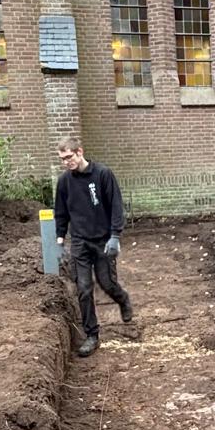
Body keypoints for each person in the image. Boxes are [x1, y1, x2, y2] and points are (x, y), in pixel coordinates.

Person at [54, 139, 133, 358]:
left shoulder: (102, 174)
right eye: (62, 159)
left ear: (80, 152)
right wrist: (59, 241)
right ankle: (92, 335)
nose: (66, 162)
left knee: (107, 283)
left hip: (103, 240)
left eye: (69, 157)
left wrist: (115, 236)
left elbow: (116, 205)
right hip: (80, 242)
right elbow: (60, 212)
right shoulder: (64, 182)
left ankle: (123, 299)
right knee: (84, 288)